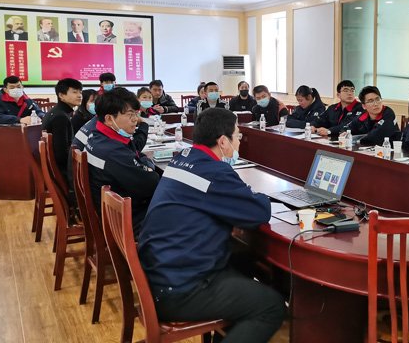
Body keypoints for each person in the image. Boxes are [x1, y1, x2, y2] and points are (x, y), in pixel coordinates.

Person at [138, 108, 286, 342]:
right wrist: (252, 195)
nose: (239, 142)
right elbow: (259, 211)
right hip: (179, 288)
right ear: (223, 141)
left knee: (244, 259)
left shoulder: (182, 158)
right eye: (238, 136)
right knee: (271, 306)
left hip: (160, 270)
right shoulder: (214, 172)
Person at [85, 87, 157, 232]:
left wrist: (143, 162)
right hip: (124, 220)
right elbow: (152, 183)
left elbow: (136, 154)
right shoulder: (112, 152)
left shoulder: (97, 136)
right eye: (130, 115)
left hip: (112, 210)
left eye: (136, 114)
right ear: (109, 119)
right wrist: (148, 165)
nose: (135, 119)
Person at [42, 78, 83, 190]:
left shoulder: (56, 111)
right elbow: (61, 155)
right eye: (74, 92)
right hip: (64, 173)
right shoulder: (61, 117)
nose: (79, 95)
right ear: (61, 95)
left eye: (80, 92)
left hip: (59, 168)